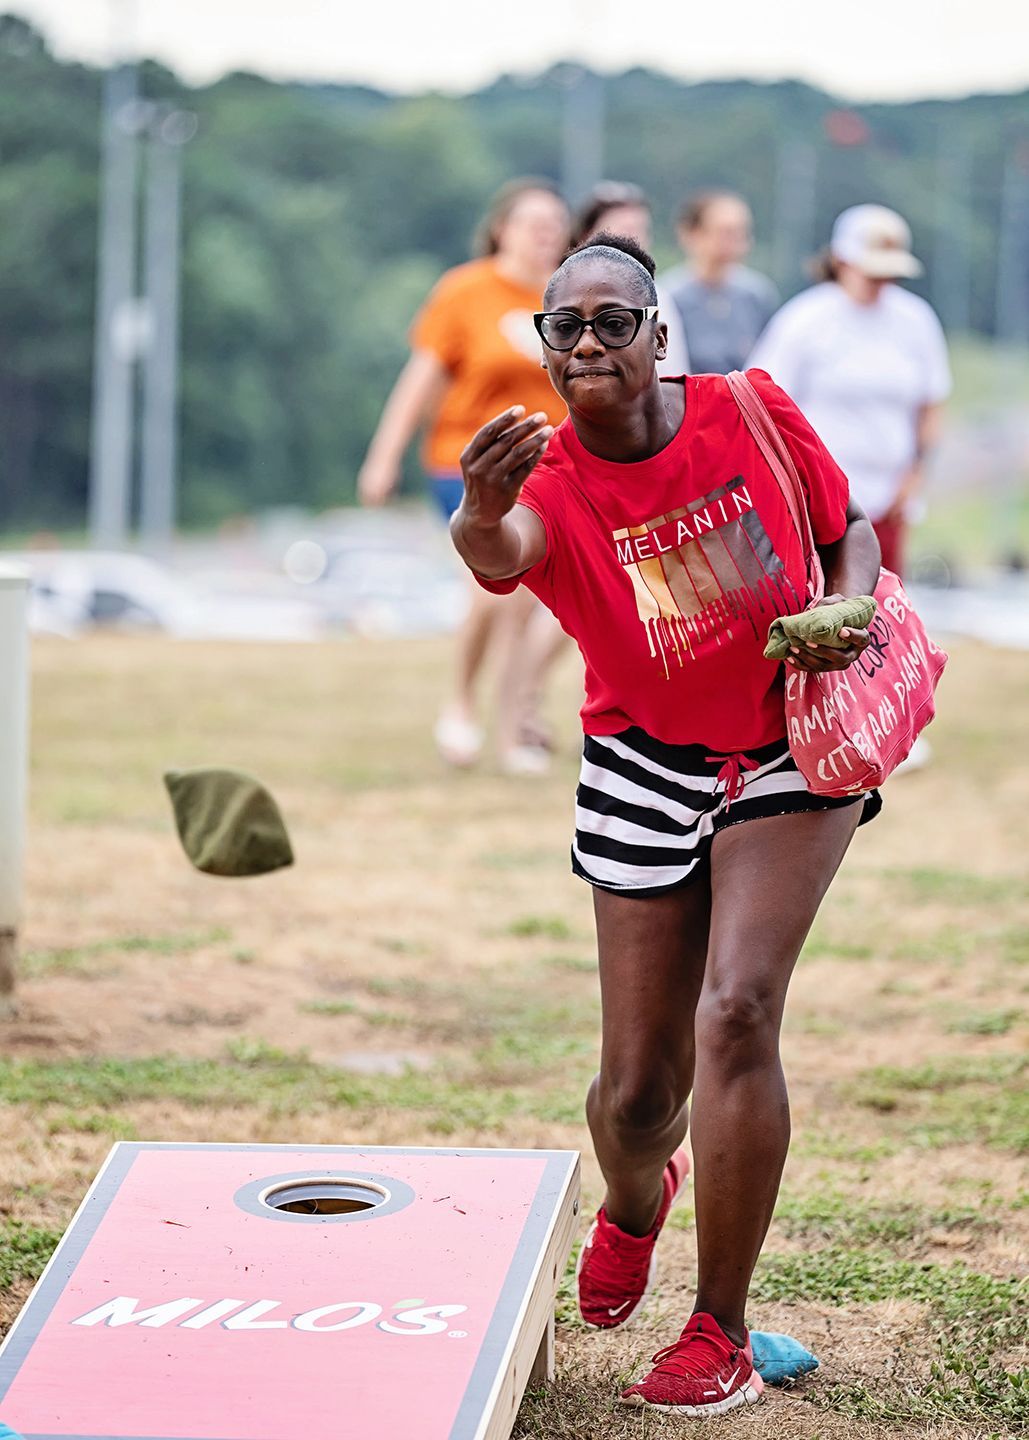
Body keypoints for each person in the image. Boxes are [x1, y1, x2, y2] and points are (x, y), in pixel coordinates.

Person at [450, 233, 882, 1416]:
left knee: (737, 1010)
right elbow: (505, 554)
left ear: (658, 332)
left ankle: (719, 1331)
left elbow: (850, 525)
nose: (587, 341)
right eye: (565, 327)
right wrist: (475, 512)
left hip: (794, 743)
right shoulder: (549, 483)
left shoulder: (748, 409)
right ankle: (637, 1199)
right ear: (546, 351)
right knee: (638, 1093)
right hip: (640, 757)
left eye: (611, 320)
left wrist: (845, 599)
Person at [357, 179, 571, 773]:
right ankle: (458, 703)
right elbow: (419, 381)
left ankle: (510, 734)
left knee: (524, 605)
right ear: (502, 228)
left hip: (547, 470)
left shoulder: (569, 298)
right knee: (488, 591)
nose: (545, 234)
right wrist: (383, 456)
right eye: (534, 223)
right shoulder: (465, 292)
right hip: (467, 463)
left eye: (556, 224)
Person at [748, 204, 951, 581]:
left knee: (885, 608)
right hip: (822, 501)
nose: (880, 282)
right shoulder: (805, 320)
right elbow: (762, 402)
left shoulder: (915, 321)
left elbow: (931, 405)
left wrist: (915, 477)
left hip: (890, 499)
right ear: (841, 260)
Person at [572, 182, 689, 375]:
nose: (635, 241)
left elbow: (674, 373)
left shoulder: (660, 298)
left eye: (641, 230)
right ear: (587, 235)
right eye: (625, 230)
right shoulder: (563, 294)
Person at [661, 190, 778, 374]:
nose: (737, 241)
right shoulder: (668, 296)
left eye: (742, 232)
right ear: (691, 233)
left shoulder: (757, 295)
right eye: (726, 232)